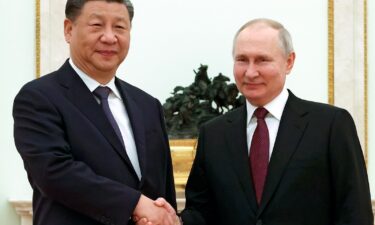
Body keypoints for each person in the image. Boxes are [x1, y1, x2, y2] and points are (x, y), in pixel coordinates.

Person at [138, 18, 374, 225]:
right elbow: (202, 212)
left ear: (289, 61)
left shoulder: (331, 125)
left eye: (262, 60)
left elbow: (354, 212)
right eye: (242, 60)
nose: (250, 72)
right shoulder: (214, 133)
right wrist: (173, 221)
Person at [13, 1, 177, 225]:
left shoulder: (148, 105)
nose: (110, 37)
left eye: (119, 27)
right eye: (97, 25)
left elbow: (163, 187)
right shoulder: (39, 98)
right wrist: (134, 203)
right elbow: (54, 173)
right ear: (69, 30)